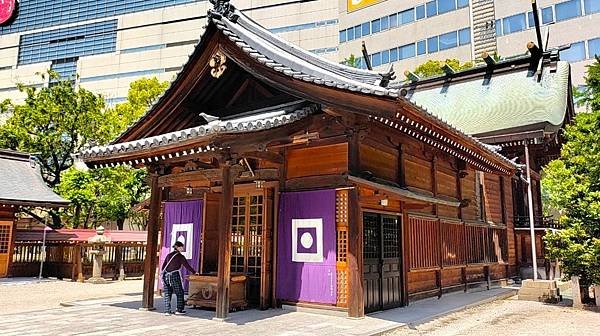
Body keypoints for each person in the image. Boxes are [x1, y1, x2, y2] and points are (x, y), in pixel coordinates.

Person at [161, 241, 198, 316]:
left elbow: (163, 267)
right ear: (178, 247)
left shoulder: (169, 255)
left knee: (167, 293)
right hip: (174, 275)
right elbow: (187, 266)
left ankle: (167, 310)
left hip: (166, 275)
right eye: (182, 247)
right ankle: (179, 309)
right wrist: (194, 272)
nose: (183, 248)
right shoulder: (180, 256)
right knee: (180, 292)